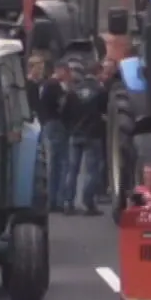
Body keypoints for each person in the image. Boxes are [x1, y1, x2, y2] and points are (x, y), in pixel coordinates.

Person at [68, 60, 115, 215]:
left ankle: (68, 202)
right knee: (91, 170)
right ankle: (88, 202)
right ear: (98, 72)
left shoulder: (75, 90)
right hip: (93, 133)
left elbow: (66, 111)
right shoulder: (100, 91)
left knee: (72, 170)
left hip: (76, 132)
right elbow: (105, 111)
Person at [36, 62, 72, 212]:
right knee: (62, 163)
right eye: (67, 71)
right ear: (60, 70)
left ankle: (51, 199)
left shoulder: (45, 85)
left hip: (46, 124)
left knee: (52, 164)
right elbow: (63, 105)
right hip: (56, 124)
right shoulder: (55, 86)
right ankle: (59, 199)